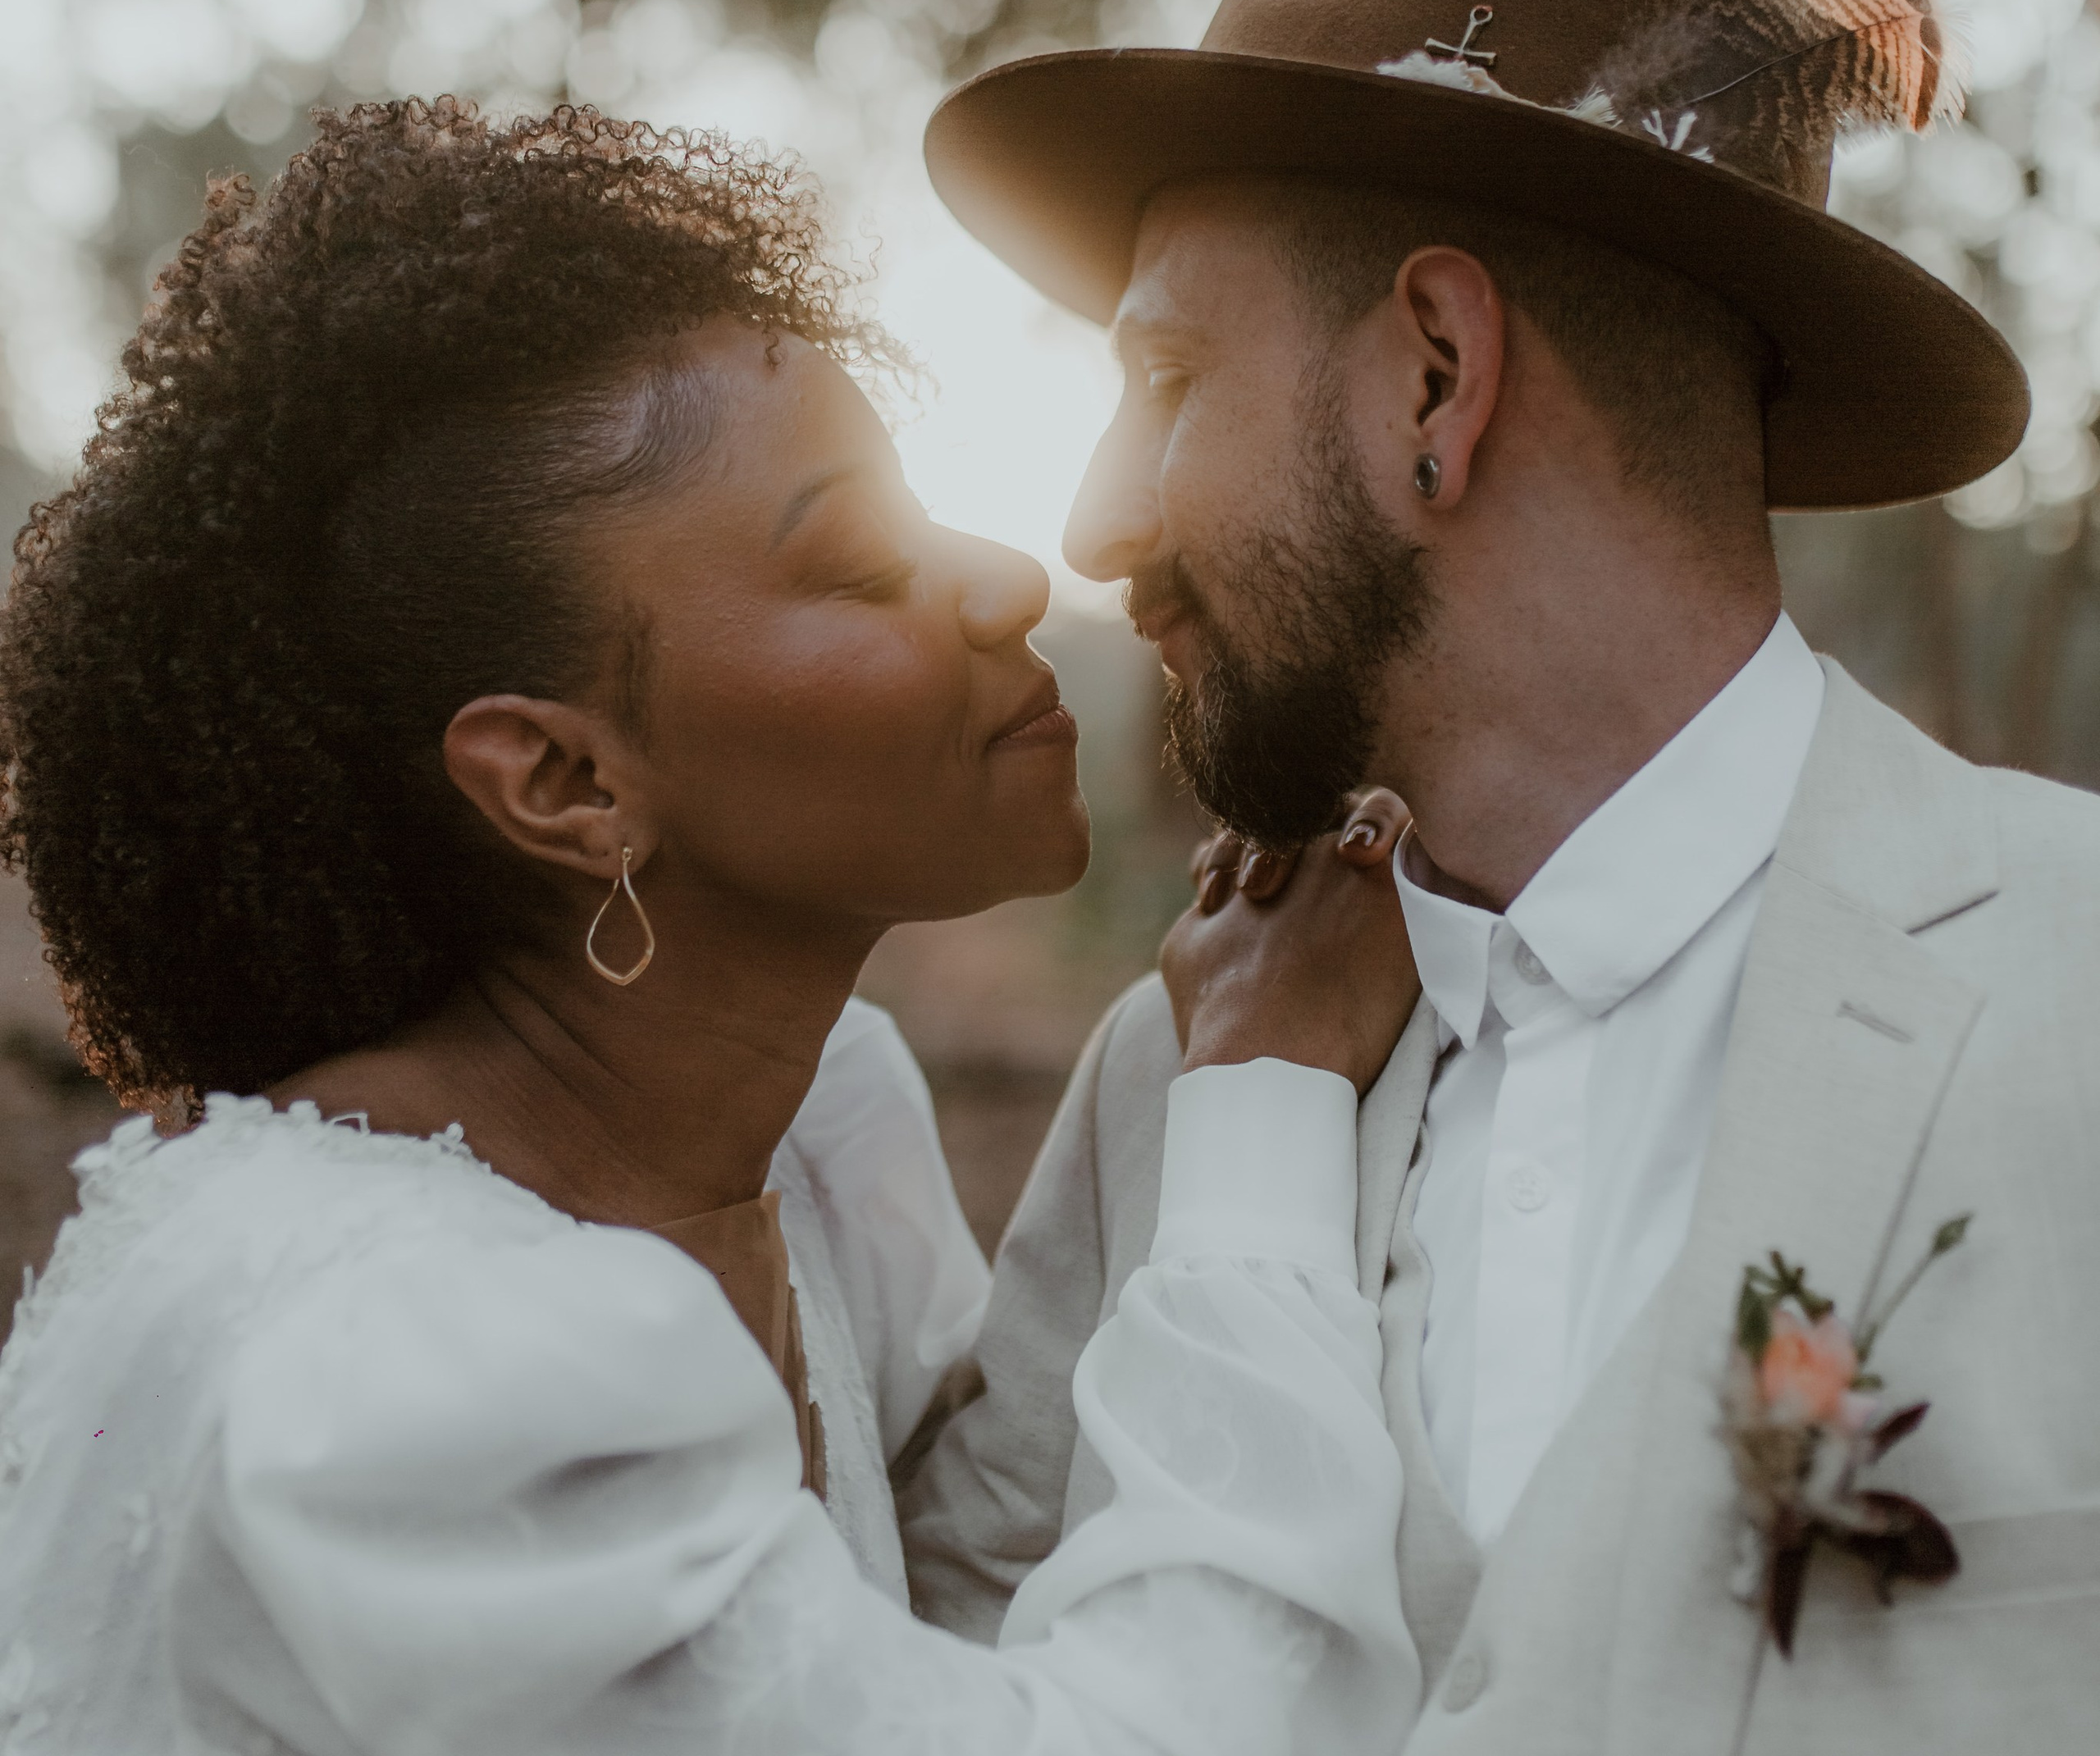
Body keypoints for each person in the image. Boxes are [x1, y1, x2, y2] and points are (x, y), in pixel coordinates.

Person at [0, 99, 1429, 1754]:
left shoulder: (808, 1131)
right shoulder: (421, 1368)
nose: (1005, 579)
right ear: (566, 781)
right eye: (860, 563)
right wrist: (1259, 1095)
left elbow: (942, 1580)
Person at [900, 0, 2100, 1750]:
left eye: (1163, 377)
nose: (1095, 522)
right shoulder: (1180, 1066)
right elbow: (967, 1655)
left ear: (1435, 378)